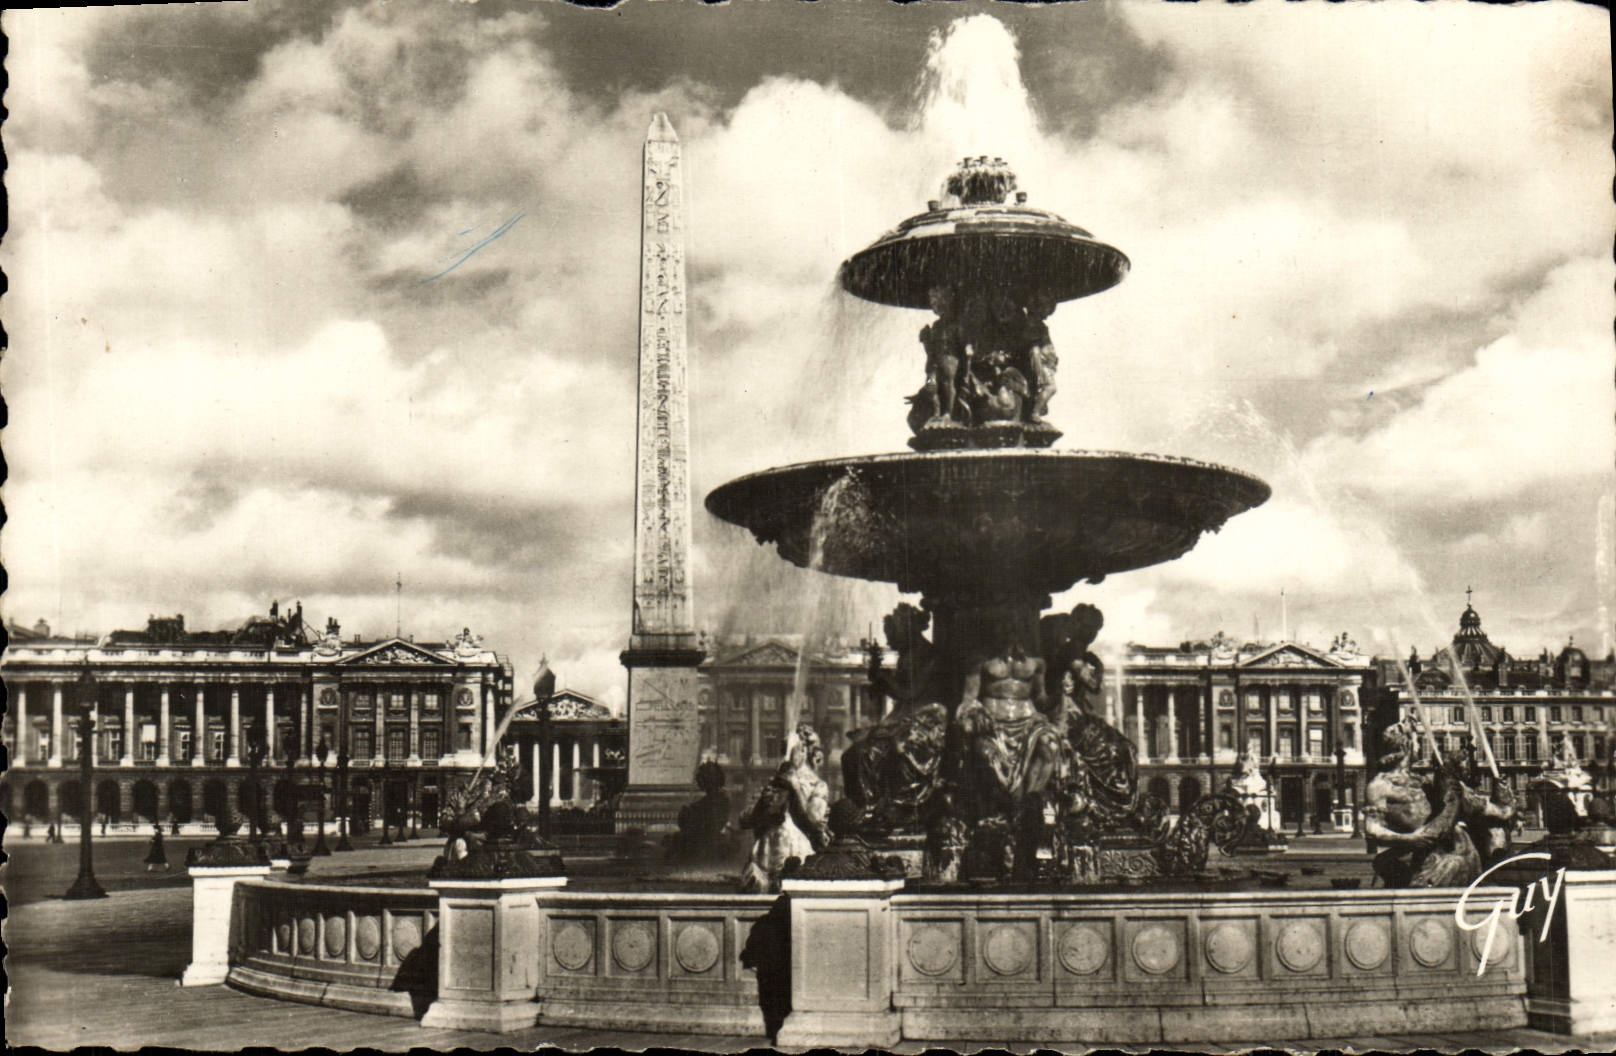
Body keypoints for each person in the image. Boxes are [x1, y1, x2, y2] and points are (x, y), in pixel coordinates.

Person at [739, 724, 830, 893]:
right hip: (765, 853)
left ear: (804, 751)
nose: (784, 756)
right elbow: (745, 821)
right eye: (783, 750)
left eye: (789, 750)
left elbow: (813, 821)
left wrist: (795, 790)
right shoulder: (774, 782)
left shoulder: (817, 785)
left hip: (797, 850)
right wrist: (762, 806)